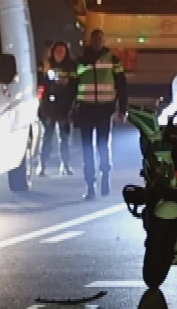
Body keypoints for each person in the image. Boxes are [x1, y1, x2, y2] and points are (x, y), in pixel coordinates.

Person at [70, 29, 128, 200]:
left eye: (100, 39)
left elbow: (122, 86)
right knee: (87, 149)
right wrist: (68, 110)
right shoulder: (80, 62)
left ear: (104, 41)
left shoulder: (113, 60)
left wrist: (122, 109)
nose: (97, 42)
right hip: (85, 109)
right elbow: (72, 87)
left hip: (105, 109)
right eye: (95, 39)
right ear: (90, 40)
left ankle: (105, 177)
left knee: (103, 146)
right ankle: (90, 185)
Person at [37, 40, 76, 176]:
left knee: (65, 139)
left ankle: (66, 165)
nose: (60, 54)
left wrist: (70, 110)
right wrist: (45, 111)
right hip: (50, 107)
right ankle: (42, 166)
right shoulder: (47, 66)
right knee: (47, 138)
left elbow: (74, 88)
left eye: (62, 51)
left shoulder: (71, 67)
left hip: (65, 108)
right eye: (57, 51)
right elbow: (43, 87)